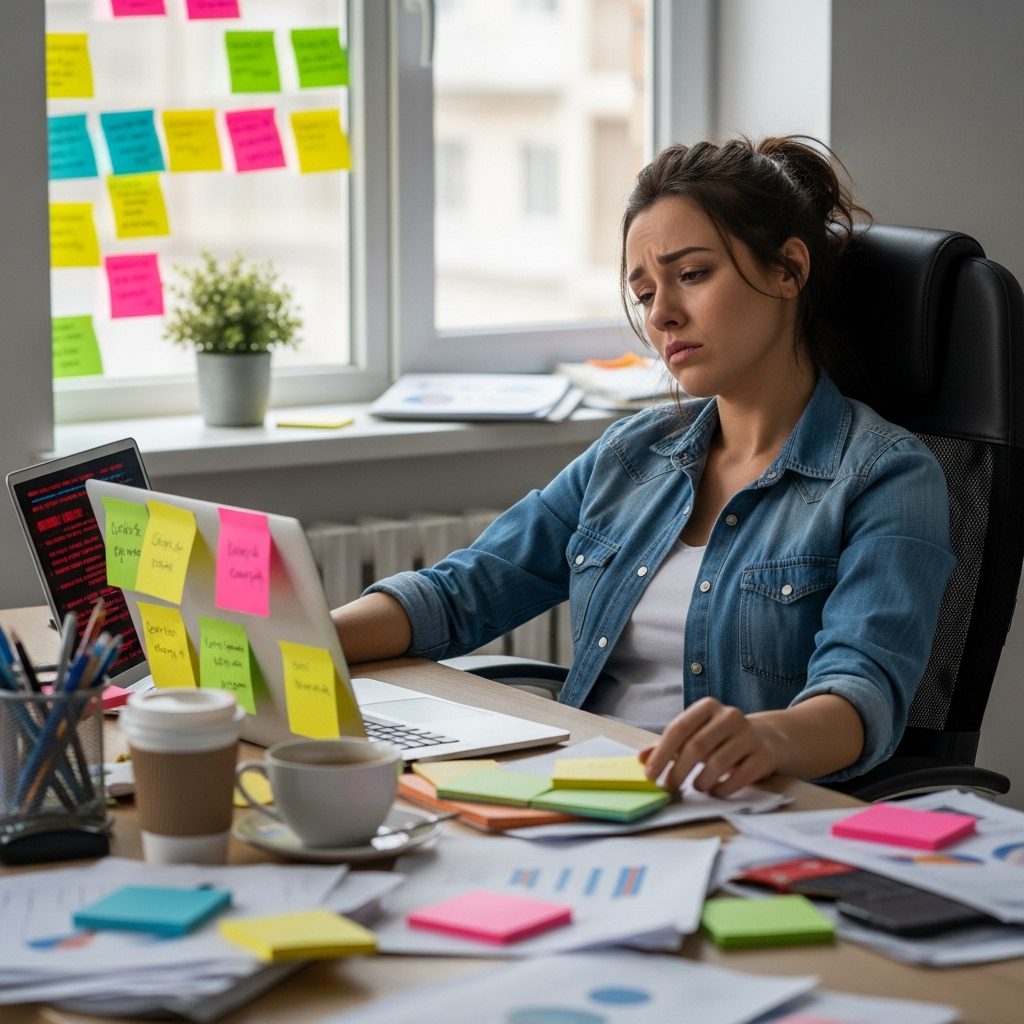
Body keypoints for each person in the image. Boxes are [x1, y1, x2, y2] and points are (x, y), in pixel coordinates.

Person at [332, 135, 955, 796]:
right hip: (587, 794)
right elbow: (467, 591)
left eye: (692, 275)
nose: (661, 315)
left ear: (788, 271)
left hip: (744, 814)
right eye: (644, 291)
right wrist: (295, 642)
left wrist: (766, 738)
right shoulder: (632, 455)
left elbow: (861, 697)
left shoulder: (886, 477)